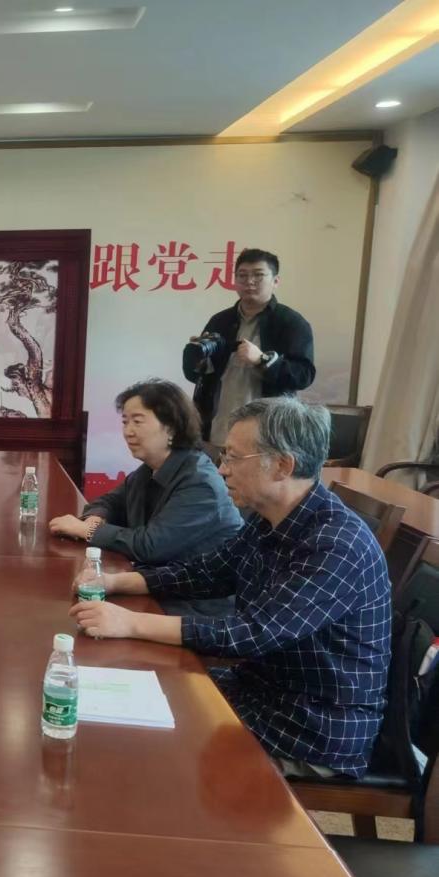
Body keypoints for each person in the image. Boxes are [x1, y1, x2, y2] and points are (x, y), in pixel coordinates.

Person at [69, 398, 391, 778]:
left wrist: (131, 623)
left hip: (306, 728)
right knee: (129, 694)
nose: (222, 469)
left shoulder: (336, 544)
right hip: (256, 691)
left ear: (283, 466)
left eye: (234, 458)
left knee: (145, 750)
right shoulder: (270, 518)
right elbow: (210, 572)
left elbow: (253, 633)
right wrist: (115, 581)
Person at [50, 379, 241, 566]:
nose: (128, 432)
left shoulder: (201, 482)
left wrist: (87, 531)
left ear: (171, 428)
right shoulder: (148, 469)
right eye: (125, 422)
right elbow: (109, 502)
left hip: (198, 586)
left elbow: (152, 546)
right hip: (157, 577)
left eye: (137, 421)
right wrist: (96, 518)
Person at [183, 248, 315, 447]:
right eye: (242, 275)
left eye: (258, 275)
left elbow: (304, 375)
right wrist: (196, 358)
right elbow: (198, 376)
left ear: (275, 281)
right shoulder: (220, 321)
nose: (249, 281)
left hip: (267, 434)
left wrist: (263, 360)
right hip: (217, 428)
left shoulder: (292, 323)